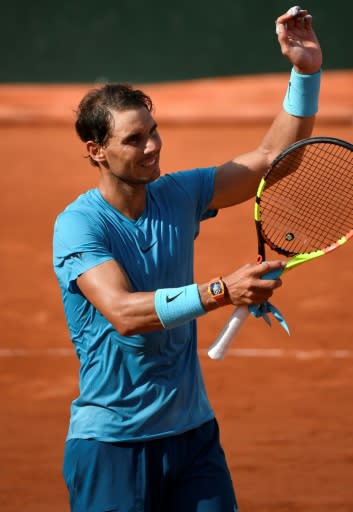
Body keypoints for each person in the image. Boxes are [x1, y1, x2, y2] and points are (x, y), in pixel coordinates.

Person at [53, 6, 322, 512]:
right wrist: (223, 290)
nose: (153, 146)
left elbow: (272, 158)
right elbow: (125, 313)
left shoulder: (179, 193)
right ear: (95, 151)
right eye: (134, 140)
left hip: (193, 437)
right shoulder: (79, 225)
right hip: (113, 446)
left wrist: (304, 71)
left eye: (152, 130)